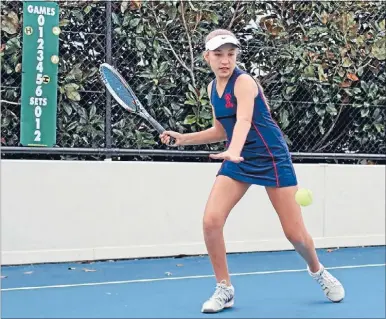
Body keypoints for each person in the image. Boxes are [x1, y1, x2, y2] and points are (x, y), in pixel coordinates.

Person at [160, 29, 345, 313]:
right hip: (240, 158)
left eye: (231, 54)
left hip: (271, 156)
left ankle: (317, 270)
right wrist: (184, 138)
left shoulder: (244, 81)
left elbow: (244, 120)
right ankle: (224, 288)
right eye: (219, 54)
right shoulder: (212, 89)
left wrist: (233, 150)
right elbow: (222, 129)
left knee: (295, 234)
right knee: (211, 221)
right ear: (206, 56)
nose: (225, 60)